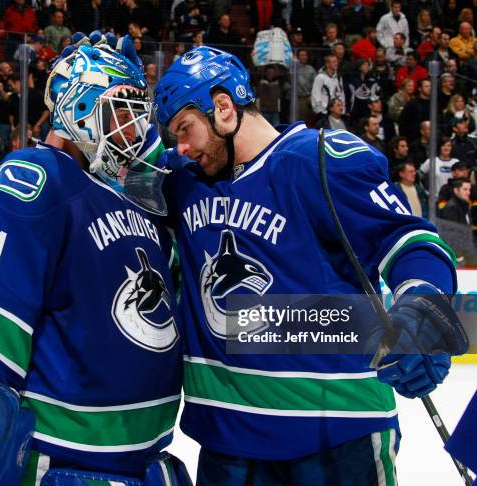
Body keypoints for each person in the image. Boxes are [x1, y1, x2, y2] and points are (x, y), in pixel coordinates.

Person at [154, 45, 467, 485]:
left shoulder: (318, 160)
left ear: (222, 107)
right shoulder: (184, 182)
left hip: (335, 434)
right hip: (228, 445)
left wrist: (422, 308)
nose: (181, 147)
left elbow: (409, 240)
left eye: (185, 129)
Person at [0, 42, 188, 485]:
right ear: (79, 107)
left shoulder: (133, 200)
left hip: (149, 466)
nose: (135, 130)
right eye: (122, 110)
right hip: (69, 468)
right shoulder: (37, 178)